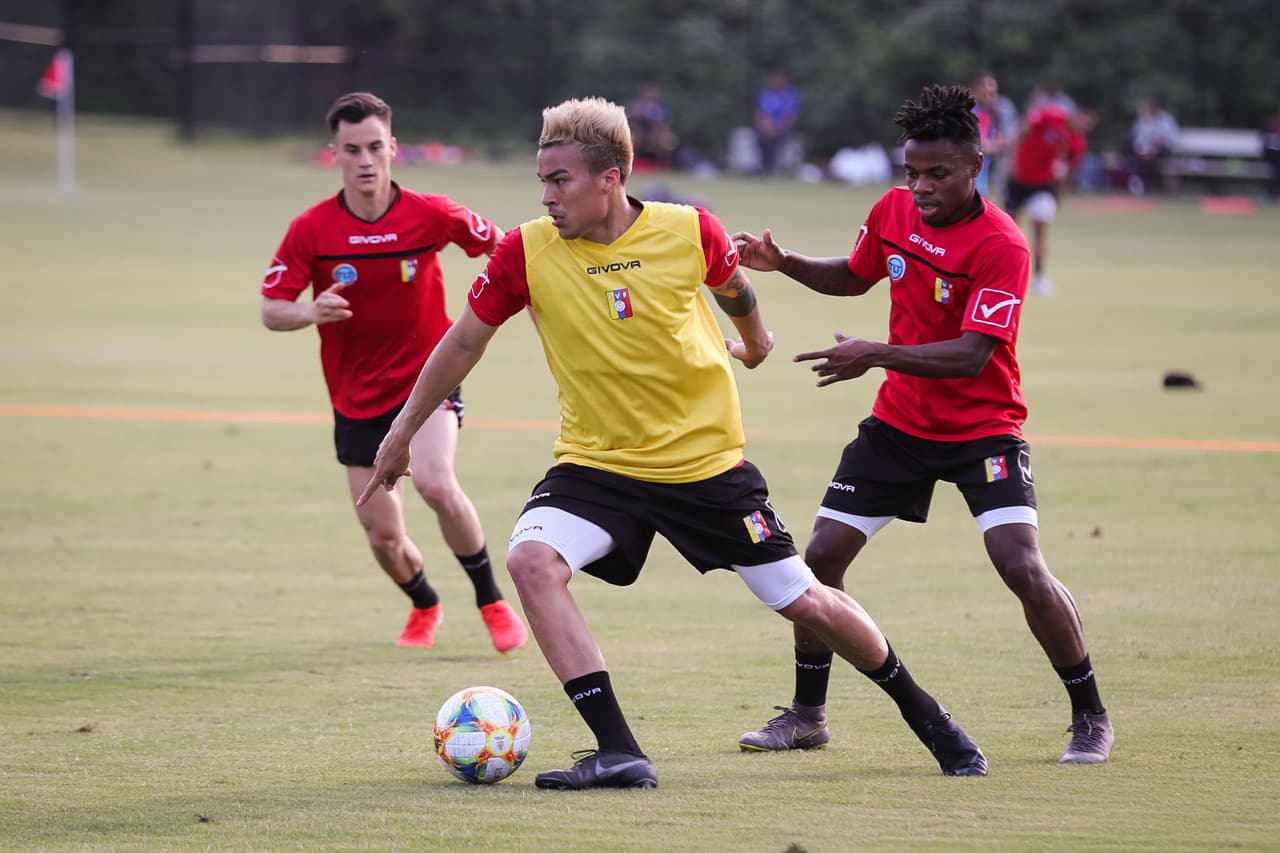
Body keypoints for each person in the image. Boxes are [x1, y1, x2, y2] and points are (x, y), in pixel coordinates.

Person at [359, 96, 987, 790]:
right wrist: (403, 430)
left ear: (611, 177)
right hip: (597, 464)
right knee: (532, 561)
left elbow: (735, 286)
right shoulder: (526, 250)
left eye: (560, 179)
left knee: (802, 599)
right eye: (543, 180)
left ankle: (930, 717)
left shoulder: (689, 230)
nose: (547, 197)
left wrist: (756, 343)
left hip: (706, 466)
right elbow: (463, 342)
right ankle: (619, 749)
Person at [732, 84, 1114, 767]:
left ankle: (1090, 715)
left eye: (937, 173)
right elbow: (855, 275)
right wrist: (785, 262)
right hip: (900, 426)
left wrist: (875, 352)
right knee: (817, 560)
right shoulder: (892, 210)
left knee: (1021, 566)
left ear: (975, 163)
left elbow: (972, 356)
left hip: (983, 428)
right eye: (911, 172)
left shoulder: (1002, 244)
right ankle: (807, 714)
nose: (921, 186)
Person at [260, 92, 528, 654]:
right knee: (384, 536)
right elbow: (271, 308)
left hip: (426, 379)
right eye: (351, 149)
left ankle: (491, 601)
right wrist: (309, 310)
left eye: (375, 147)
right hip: (356, 397)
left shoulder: (430, 213)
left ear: (393, 149)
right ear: (333, 153)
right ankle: (425, 603)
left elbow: (505, 249)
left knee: (434, 481)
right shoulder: (311, 230)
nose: (364, 160)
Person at [1004, 97, 1095, 295]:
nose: (1083, 126)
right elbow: (1022, 130)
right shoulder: (1051, 117)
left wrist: (1059, 195)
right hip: (1018, 179)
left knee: (1040, 228)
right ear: (1076, 114)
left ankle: (1038, 277)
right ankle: (1007, 273)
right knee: (1009, 231)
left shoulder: (1078, 142)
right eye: (1083, 120)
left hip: (1044, 185)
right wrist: (1011, 162)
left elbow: (1069, 171)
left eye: (1088, 125)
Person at [969, 72, 1016, 198]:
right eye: (987, 93)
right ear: (974, 91)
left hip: (978, 177)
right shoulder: (973, 113)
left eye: (993, 93)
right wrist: (999, 145)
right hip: (971, 178)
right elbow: (980, 146)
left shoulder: (990, 114)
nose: (991, 97)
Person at [753, 69, 801, 176]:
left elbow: (793, 116)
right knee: (762, 137)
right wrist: (767, 127)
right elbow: (760, 113)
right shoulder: (766, 94)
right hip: (766, 129)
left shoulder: (791, 95)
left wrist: (779, 128)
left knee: (779, 139)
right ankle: (765, 167)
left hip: (784, 129)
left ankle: (777, 168)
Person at [1128, 97, 1179, 195]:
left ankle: (1144, 185)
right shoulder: (1143, 120)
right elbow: (1137, 139)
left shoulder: (1166, 119)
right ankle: (1138, 186)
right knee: (1136, 157)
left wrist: (1159, 141)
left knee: (1149, 160)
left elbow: (1172, 139)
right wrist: (1143, 150)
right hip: (1144, 152)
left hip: (1162, 151)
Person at [625, 81, 678, 170]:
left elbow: (665, 124)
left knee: (668, 142)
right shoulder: (636, 105)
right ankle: (631, 166)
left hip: (656, 135)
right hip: (638, 133)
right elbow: (628, 121)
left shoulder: (661, 107)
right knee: (631, 140)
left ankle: (664, 168)